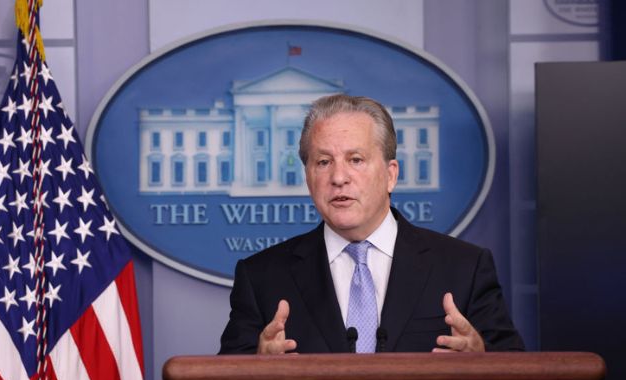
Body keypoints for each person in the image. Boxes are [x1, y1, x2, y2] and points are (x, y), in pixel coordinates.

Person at [219, 94, 524, 355]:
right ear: (308, 177)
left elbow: (519, 377)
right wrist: (255, 366)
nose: (338, 178)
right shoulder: (261, 278)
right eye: (323, 162)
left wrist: (482, 358)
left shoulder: (464, 268)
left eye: (356, 160)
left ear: (391, 174)